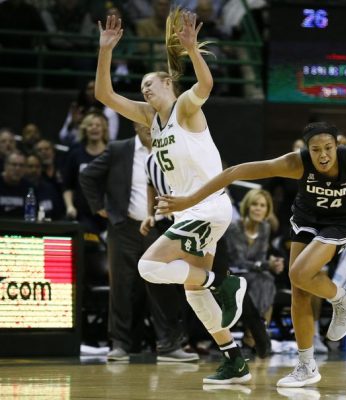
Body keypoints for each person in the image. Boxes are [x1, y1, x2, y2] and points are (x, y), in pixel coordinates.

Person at [155, 121, 346, 387]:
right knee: (299, 289)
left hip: (343, 220)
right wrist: (190, 200)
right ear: (307, 150)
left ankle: (342, 297)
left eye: (328, 148)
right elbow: (233, 172)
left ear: (338, 146)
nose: (322, 155)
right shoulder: (295, 163)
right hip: (306, 218)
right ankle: (307, 365)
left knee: (299, 273)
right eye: (315, 149)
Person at [95, 10, 250, 383]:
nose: (145, 88)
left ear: (170, 85)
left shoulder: (185, 108)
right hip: (187, 213)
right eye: (143, 85)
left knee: (149, 266)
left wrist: (194, 51)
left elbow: (207, 86)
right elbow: (104, 93)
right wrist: (105, 51)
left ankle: (224, 282)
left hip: (207, 207)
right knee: (192, 289)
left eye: (152, 83)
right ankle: (234, 358)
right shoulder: (151, 119)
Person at [80, 122, 198, 362]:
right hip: (123, 226)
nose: (150, 129)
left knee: (162, 284)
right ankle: (119, 344)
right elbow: (87, 176)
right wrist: (100, 208)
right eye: (144, 124)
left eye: (153, 125)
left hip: (157, 226)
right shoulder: (118, 149)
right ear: (134, 125)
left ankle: (168, 345)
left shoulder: (168, 151)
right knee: (121, 286)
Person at [224, 189, 283, 351]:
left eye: (263, 205)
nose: (258, 208)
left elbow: (260, 258)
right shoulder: (234, 228)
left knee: (267, 280)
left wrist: (273, 263)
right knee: (264, 280)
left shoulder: (265, 228)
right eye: (254, 204)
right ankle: (257, 333)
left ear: (267, 210)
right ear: (247, 207)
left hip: (255, 275)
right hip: (233, 273)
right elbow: (238, 261)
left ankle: (253, 333)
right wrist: (265, 265)